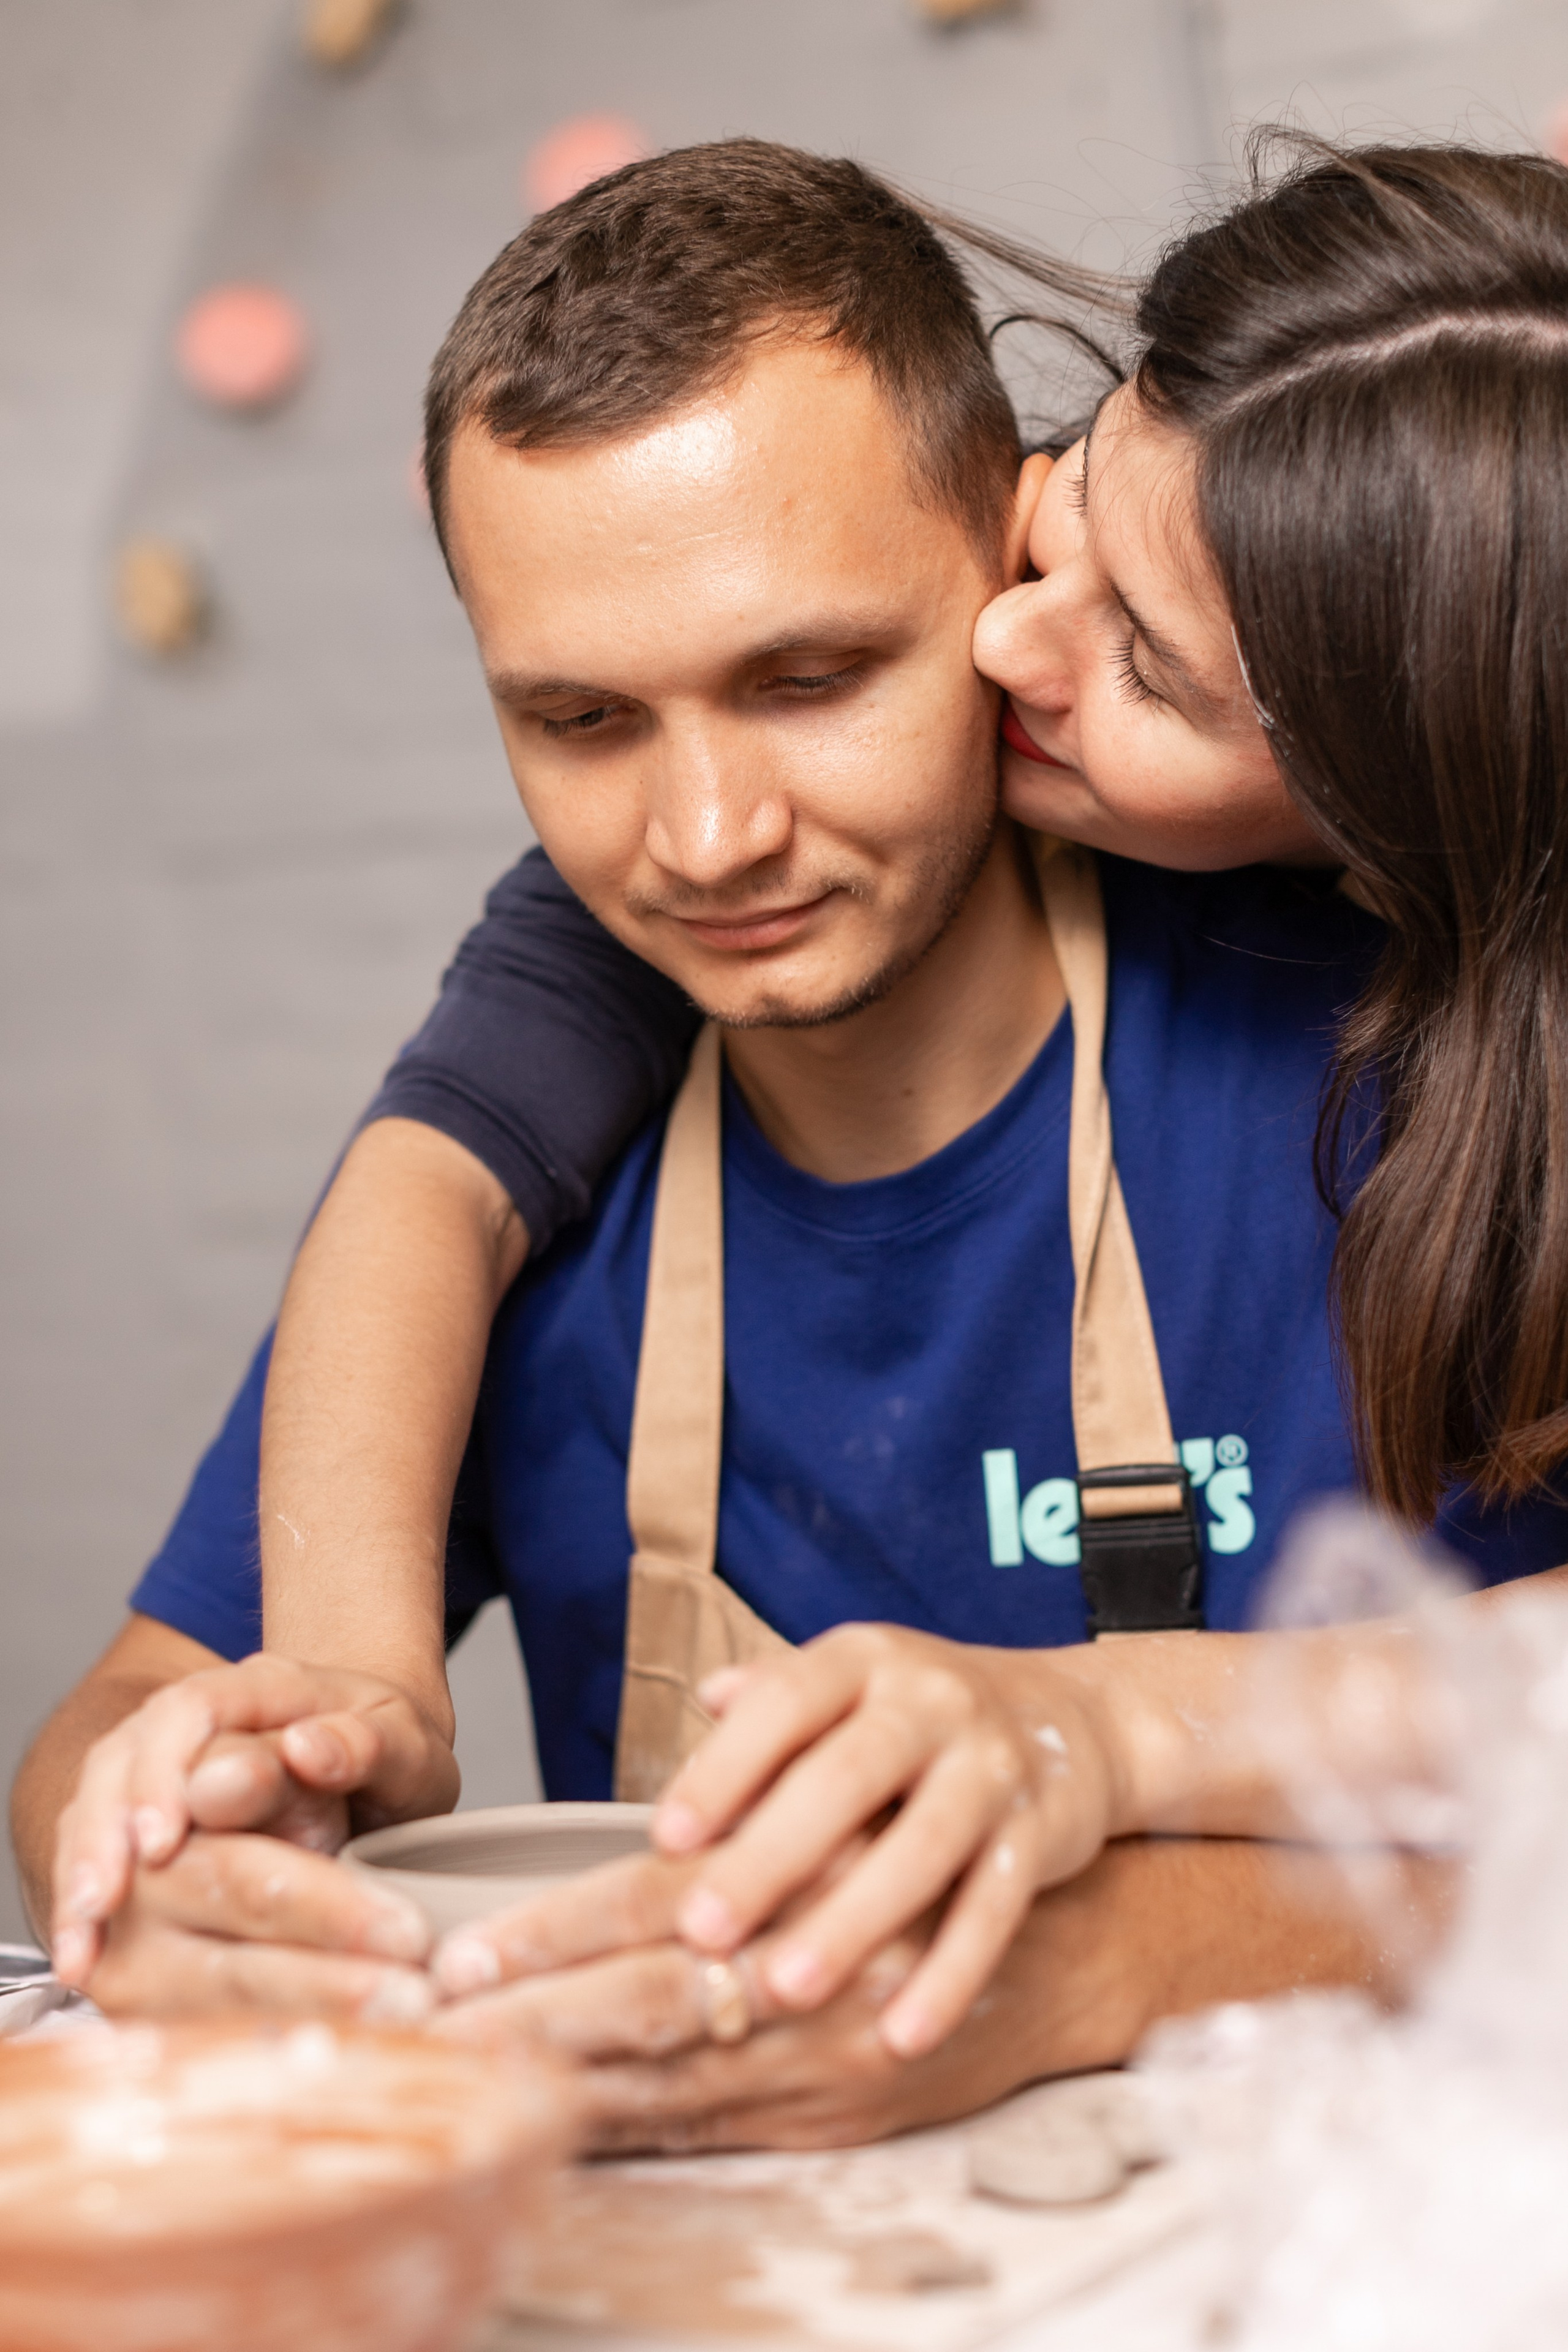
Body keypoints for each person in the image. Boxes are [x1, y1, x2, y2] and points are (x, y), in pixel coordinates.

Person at [17, 136, 1568, 2146]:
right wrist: (183, 1851)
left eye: (814, 677)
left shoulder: (1406, 1050)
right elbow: (120, 1725)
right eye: (579, 720)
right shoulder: (514, 1194)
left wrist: (1102, 1936)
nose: (708, 836)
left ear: (991, 560)